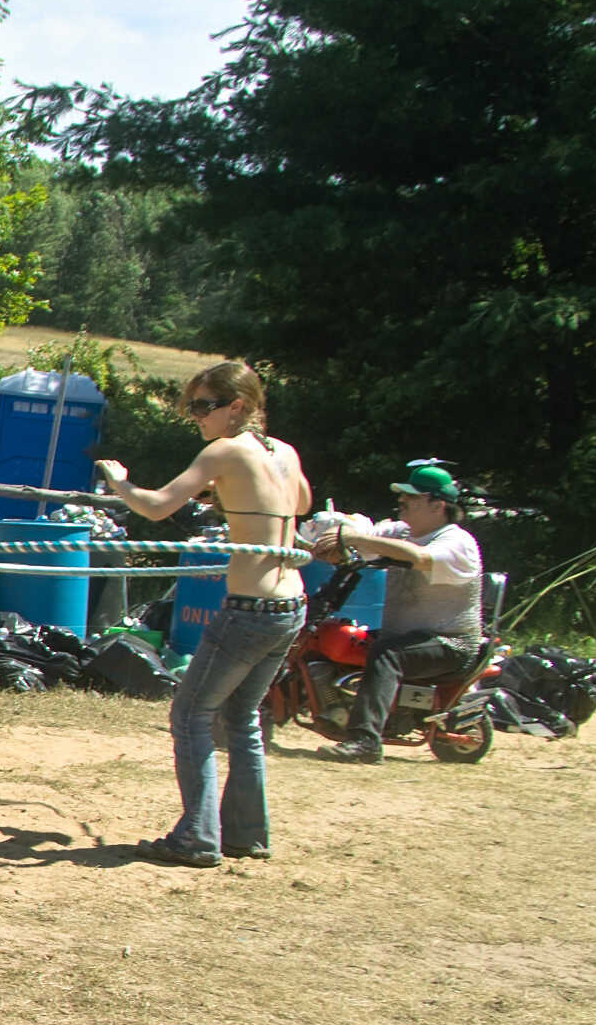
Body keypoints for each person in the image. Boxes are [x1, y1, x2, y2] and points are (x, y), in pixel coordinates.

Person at [98, 360, 313, 867]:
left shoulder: (225, 450)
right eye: (191, 407)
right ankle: (246, 833)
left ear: (237, 406)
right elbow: (300, 502)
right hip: (291, 605)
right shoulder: (284, 451)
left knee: (190, 714)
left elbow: (155, 507)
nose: (195, 416)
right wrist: (231, 493)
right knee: (241, 717)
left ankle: (196, 837)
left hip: (251, 608)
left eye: (203, 406)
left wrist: (119, 482)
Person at [318, 462, 488, 763]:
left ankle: (365, 742)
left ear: (438, 505)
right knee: (336, 635)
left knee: (387, 654)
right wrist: (338, 533)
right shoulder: (401, 531)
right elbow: (362, 530)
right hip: (405, 636)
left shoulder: (457, 542)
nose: (402, 500)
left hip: (451, 643)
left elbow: (419, 557)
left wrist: (355, 540)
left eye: (412, 496)